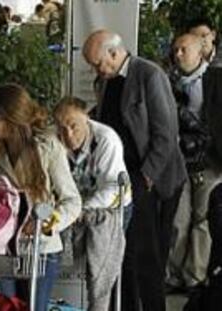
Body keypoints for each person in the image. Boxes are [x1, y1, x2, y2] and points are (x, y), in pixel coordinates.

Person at [83, 30, 187, 311]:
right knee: (122, 255)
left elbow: (166, 136)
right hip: (121, 177)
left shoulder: (149, 75)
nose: (96, 70)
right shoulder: (105, 81)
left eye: (98, 63)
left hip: (153, 178)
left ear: (114, 54)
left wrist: (145, 179)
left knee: (148, 259)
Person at [0, 84, 81, 311]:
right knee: (3, 306)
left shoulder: (48, 146)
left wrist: (45, 224)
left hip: (41, 248)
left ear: (9, 119)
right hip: (1, 249)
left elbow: (72, 201)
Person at [54, 96, 131, 311]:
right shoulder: (55, 140)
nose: (68, 134)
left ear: (86, 119)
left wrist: (82, 209)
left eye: (73, 126)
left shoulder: (106, 139)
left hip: (111, 204)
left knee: (102, 267)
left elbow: (113, 187)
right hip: (75, 205)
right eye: (62, 128)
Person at [167, 33, 215, 290]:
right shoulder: (168, 80)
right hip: (179, 161)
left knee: (202, 220)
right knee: (178, 218)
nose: (178, 54)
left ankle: (194, 277)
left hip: (209, 162)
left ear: (200, 53)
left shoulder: (214, 81)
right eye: (175, 50)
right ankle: (173, 275)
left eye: (184, 50)